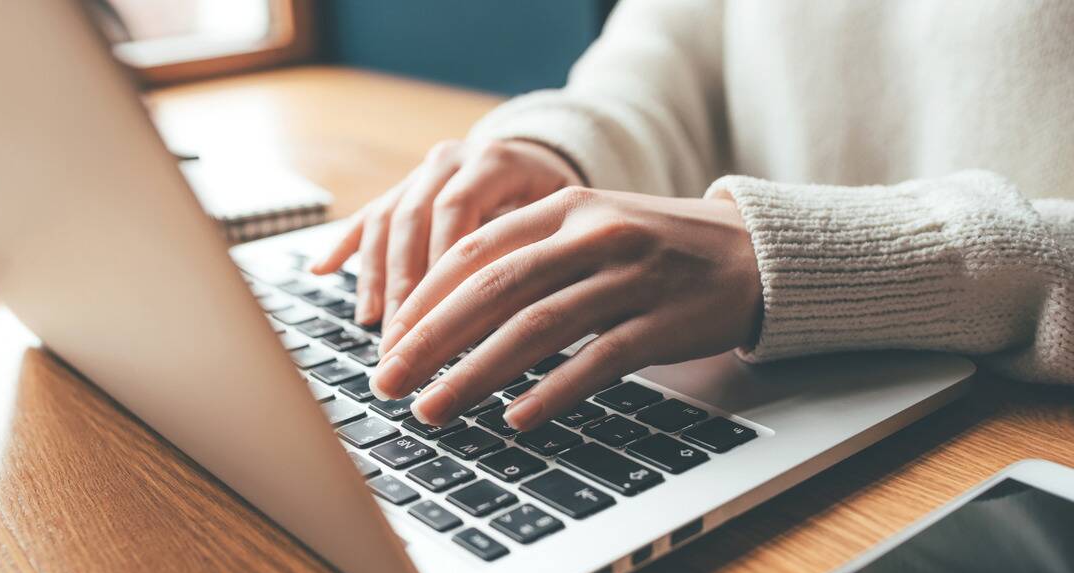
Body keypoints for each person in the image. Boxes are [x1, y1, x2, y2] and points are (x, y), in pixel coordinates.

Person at [311, 0, 1074, 432]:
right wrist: (558, 153)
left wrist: (794, 256)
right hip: (772, 390)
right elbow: (669, 59)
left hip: (1017, 438)